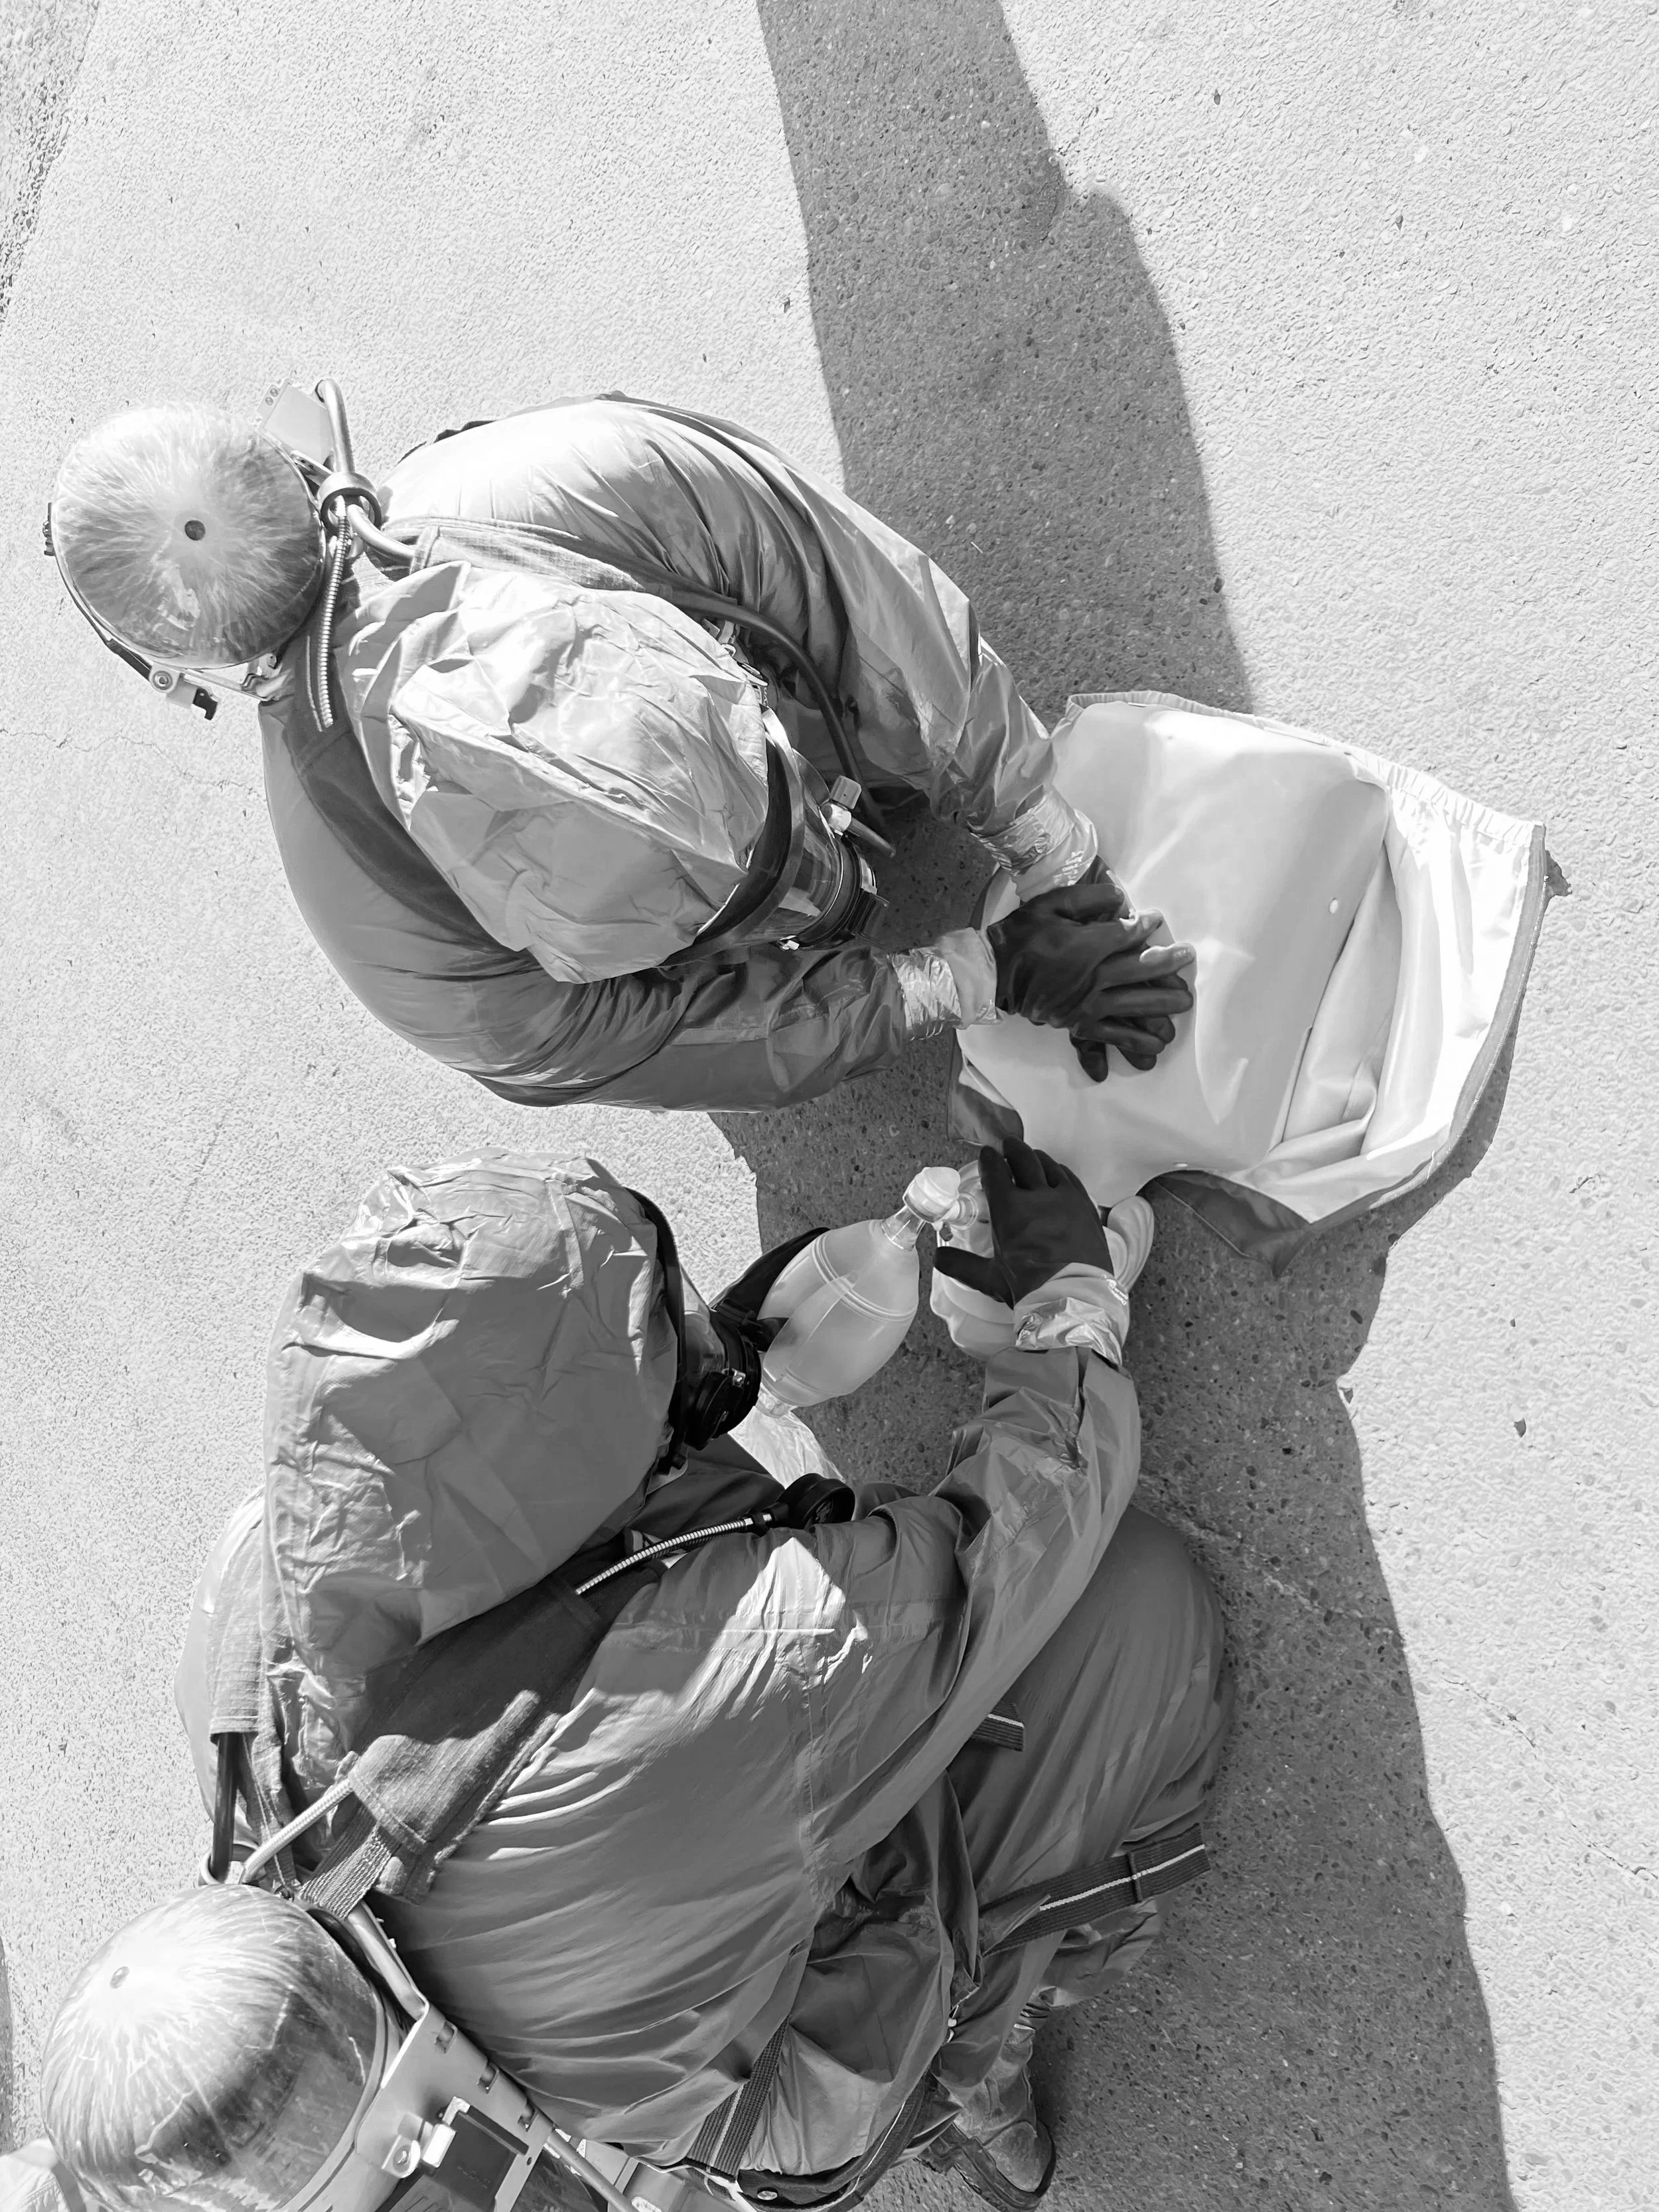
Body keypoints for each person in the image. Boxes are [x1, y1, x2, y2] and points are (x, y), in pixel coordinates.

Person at [23, 1139, 1226, 2212]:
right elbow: (1000, 1552)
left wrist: (709, 1379)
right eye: (670, 1343)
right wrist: (1069, 1309)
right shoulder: (712, 1687)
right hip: (769, 2080)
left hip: (632, 2033)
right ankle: (977, 2050)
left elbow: (523, 1495)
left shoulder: (268, 1592)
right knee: (1137, 1605)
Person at [46, 386, 1194, 1111]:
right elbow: (854, 591)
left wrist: (965, 982)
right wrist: (1052, 844)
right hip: (810, 758)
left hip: (742, 950)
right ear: (296, 473)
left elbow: (612, 1047)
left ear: (182, 669)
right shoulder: (555, 470)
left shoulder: (341, 867)